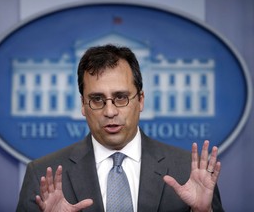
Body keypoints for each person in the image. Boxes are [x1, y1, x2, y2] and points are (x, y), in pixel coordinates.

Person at [16, 44, 224, 212]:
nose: (110, 111)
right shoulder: (43, 175)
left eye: (121, 97)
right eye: (97, 99)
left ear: (140, 100)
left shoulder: (187, 171)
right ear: (82, 105)